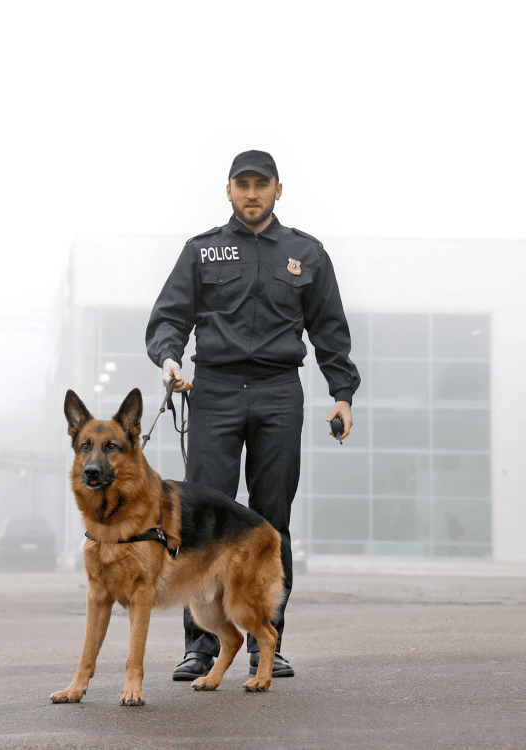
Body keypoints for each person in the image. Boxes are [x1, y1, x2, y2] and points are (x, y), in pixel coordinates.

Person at [145, 150, 361, 681]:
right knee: (199, 522)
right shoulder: (202, 251)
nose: (251, 193)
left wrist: (342, 393)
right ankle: (199, 646)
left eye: (261, 184)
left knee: (271, 521)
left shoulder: (306, 253)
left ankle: (269, 643)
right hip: (214, 389)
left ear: (278, 191)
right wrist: (169, 358)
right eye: (242, 184)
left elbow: (329, 328)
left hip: (278, 393)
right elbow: (168, 316)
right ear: (228, 191)